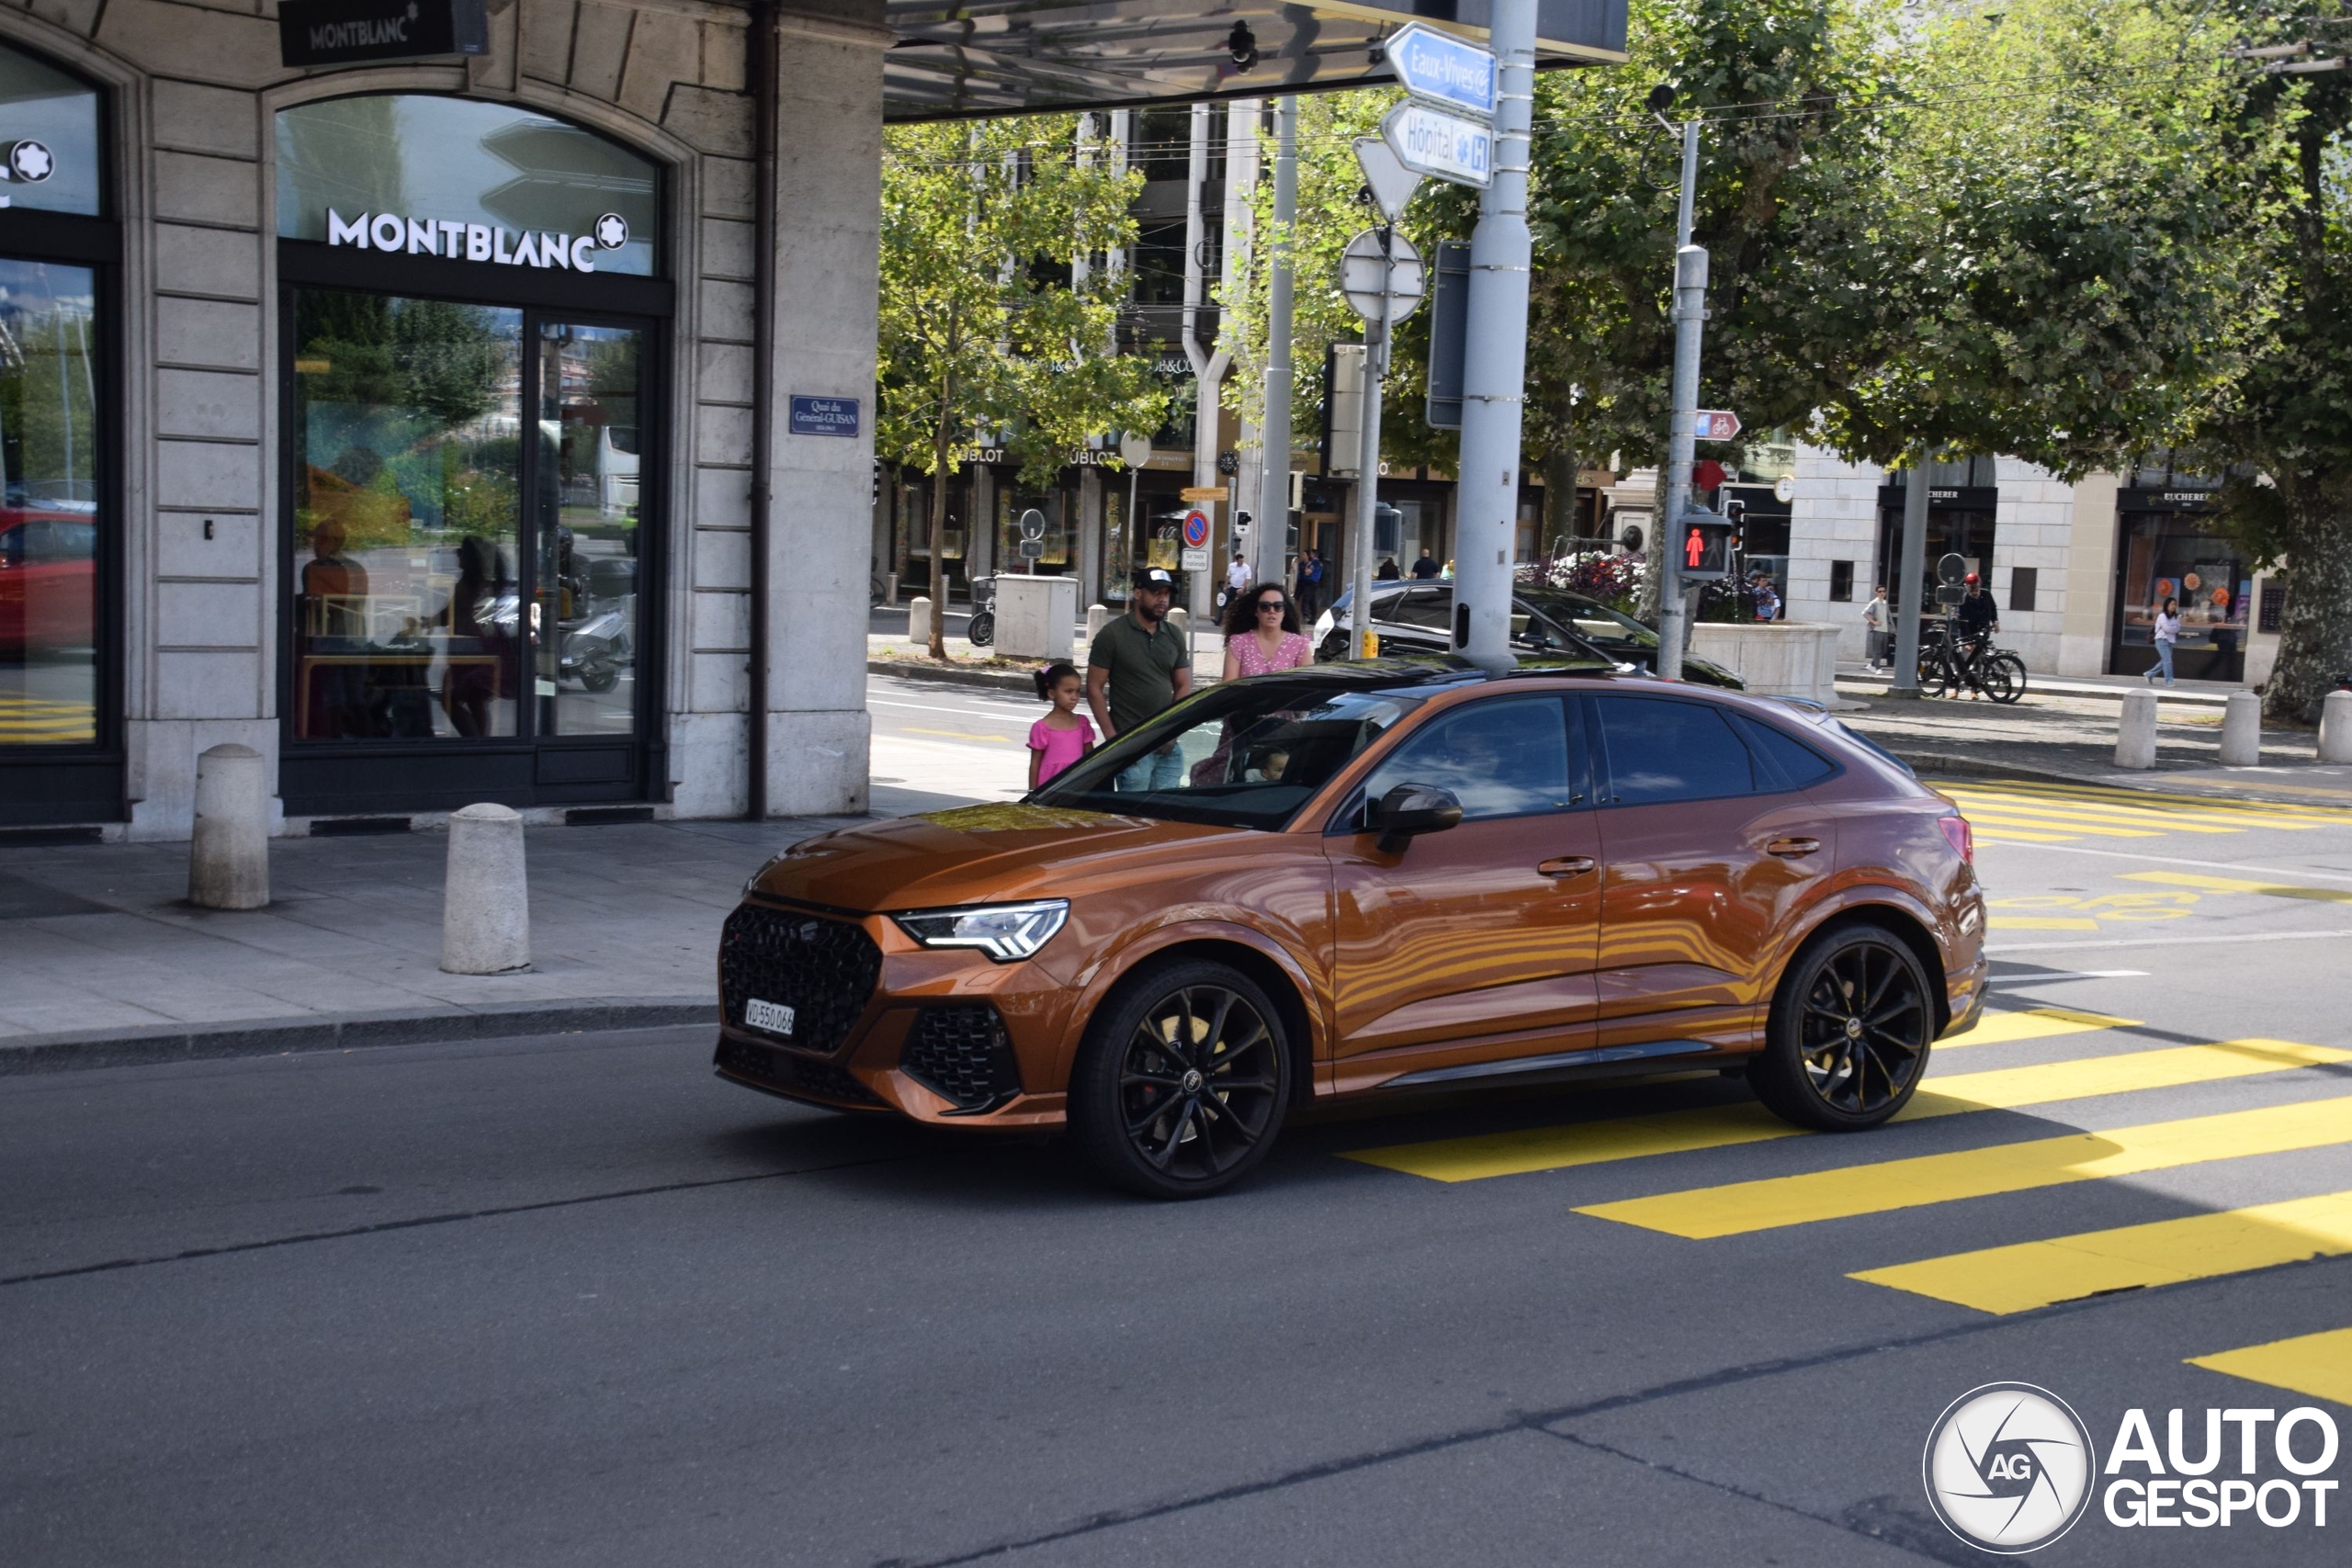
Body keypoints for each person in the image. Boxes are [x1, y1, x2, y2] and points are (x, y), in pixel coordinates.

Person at [1087, 566, 1192, 791]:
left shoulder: (1173, 634)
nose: (1162, 599)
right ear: (1137, 593)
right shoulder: (1112, 635)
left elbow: (1183, 685)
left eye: (1166, 594)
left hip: (1167, 746)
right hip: (1131, 746)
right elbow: (1094, 688)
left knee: (1166, 815)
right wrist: (1113, 740)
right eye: (1156, 593)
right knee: (1133, 818)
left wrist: (1172, 732)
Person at [1220, 582, 1312, 681]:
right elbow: (1228, 686)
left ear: (1284, 611)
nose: (1272, 611)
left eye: (1278, 606)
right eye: (1265, 606)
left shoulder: (1299, 645)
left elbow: (1309, 686)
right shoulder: (1238, 643)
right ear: (1255, 611)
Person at [1027, 660, 1093, 790]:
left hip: (1077, 787)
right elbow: (1035, 763)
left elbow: (1090, 757)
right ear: (1052, 693)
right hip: (1049, 788)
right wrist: (1032, 792)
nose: (1074, 697)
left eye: (1077, 691)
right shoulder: (1042, 727)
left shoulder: (1082, 723)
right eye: (1068, 691)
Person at [1955, 572, 2000, 698]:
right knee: (1963, 662)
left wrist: (1995, 622)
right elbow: (1962, 622)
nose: (1973, 591)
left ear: (1979, 585)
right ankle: (1957, 688)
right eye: (1970, 588)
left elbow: (1993, 608)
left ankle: (1974, 690)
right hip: (1968, 633)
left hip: (1982, 633)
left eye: (1975, 588)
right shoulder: (1964, 599)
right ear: (1967, 587)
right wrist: (1968, 642)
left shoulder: (1986, 594)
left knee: (1978, 662)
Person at [2149, 595, 2181, 687]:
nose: (2174, 606)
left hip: (2170, 640)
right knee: (2168, 661)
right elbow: (2166, 628)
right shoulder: (2162, 616)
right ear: (2167, 605)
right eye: (2172, 604)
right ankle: (2169, 681)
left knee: (2165, 660)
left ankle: (2150, 674)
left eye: (2175, 604)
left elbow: (2178, 628)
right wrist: (2173, 629)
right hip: (2161, 639)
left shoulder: (2176, 617)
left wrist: (2173, 629)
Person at [1861, 583, 1889, 670]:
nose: (1882, 593)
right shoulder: (1874, 603)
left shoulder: (1885, 603)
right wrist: (1874, 622)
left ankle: (1872, 664)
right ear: (1876, 593)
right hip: (1877, 629)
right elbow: (1865, 613)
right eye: (1880, 591)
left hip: (1885, 629)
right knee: (1877, 650)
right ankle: (1878, 668)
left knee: (1884, 650)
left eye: (1884, 591)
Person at [1295, 548, 1323, 619]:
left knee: (1306, 599)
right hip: (1307, 582)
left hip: (1311, 583)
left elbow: (1307, 572)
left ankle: (1306, 616)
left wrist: (1307, 567)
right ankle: (1313, 617)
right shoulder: (1315, 563)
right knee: (1312, 600)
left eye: (1310, 554)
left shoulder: (1315, 563)